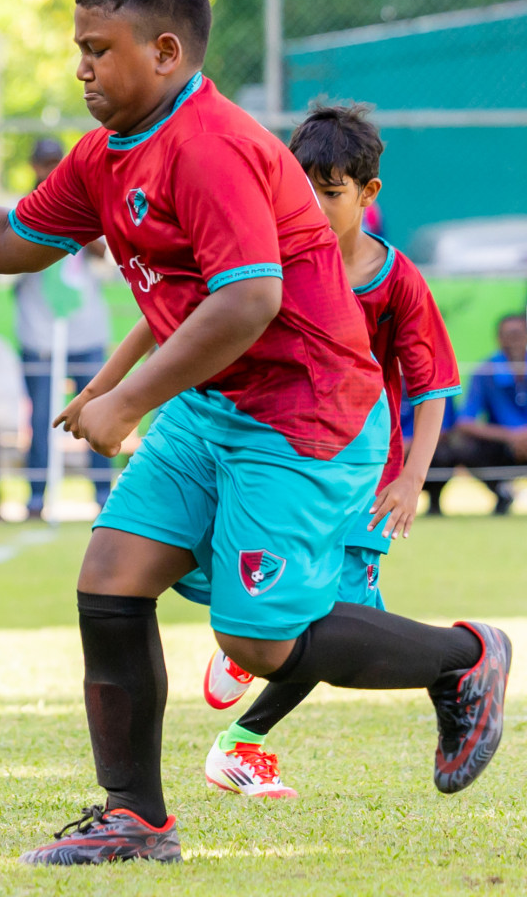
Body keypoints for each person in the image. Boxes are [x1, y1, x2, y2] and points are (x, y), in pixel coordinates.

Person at [0, 0, 509, 864]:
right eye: (80, 47)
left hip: (305, 410)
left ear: (167, 52)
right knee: (111, 576)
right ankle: (136, 819)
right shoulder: (107, 153)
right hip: (216, 403)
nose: (81, 68)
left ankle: (463, 659)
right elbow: (16, 238)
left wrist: (125, 399)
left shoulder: (211, 145)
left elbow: (248, 299)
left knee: (257, 641)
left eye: (98, 49)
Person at [137, 105, 459, 797]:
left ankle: (242, 740)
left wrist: (411, 479)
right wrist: (120, 390)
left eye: (331, 191)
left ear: (369, 194)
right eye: (300, 186)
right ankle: (251, 638)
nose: (312, 204)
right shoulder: (266, 261)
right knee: (288, 605)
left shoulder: (397, 280)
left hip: (363, 478)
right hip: (275, 458)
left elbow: (431, 386)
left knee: (345, 618)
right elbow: (186, 316)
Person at [16, 138, 114, 520]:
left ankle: (103, 494)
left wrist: (81, 225)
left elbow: (107, 254)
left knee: (97, 413)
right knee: (40, 417)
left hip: (85, 330)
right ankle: (36, 496)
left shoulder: (86, 203)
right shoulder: (22, 208)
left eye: (56, 163)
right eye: (44, 164)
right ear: (33, 166)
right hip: (40, 331)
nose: (50, 170)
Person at [428, 314, 527, 516]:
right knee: (458, 443)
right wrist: (511, 436)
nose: (513, 340)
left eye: (517, 334)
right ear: (498, 338)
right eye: (507, 335)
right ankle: (502, 492)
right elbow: (464, 422)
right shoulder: (486, 370)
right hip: (501, 446)